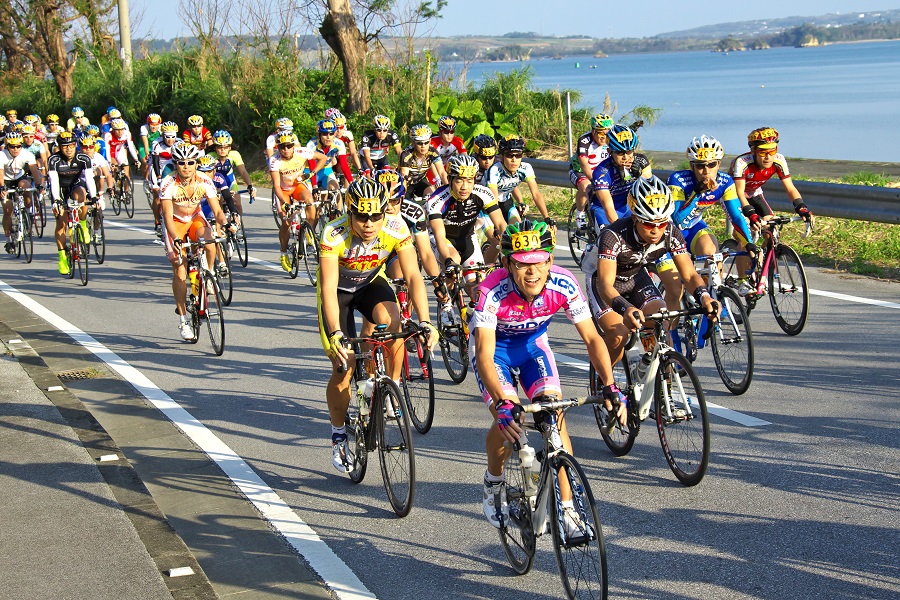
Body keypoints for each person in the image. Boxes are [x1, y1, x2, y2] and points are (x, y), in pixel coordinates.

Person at [471, 219, 624, 530]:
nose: (533, 272)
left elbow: (593, 339)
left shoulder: (564, 283)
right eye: (523, 264)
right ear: (507, 264)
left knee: (554, 417)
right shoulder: (491, 290)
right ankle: (494, 481)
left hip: (533, 350)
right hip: (495, 354)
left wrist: (610, 385)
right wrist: (502, 404)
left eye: (540, 261)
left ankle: (567, 509)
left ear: (551, 260)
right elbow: (484, 355)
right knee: (509, 422)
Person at [318, 177, 437, 472]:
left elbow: (412, 276)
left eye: (376, 215)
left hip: (371, 283)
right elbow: (329, 288)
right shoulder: (334, 233)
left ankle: (390, 384)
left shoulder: (396, 227)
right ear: (350, 211)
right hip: (339, 294)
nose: (369, 223)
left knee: (394, 319)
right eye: (361, 215)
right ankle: (337, 434)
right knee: (343, 368)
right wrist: (335, 333)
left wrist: (426, 321)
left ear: (385, 211)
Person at [587, 176, 719, 371]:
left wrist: (705, 297)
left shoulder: (670, 232)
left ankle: (658, 379)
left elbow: (689, 275)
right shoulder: (613, 235)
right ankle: (604, 382)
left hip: (635, 277)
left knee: (660, 320)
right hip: (604, 283)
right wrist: (626, 308)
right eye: (649, 224)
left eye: (662, 223)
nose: (656, 230)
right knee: (618, 335)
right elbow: (606, 285)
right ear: (634, 218)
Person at [657, 135, 755, 314]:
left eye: (711, 164)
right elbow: (678, 219)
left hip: (694, 228)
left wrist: (749, 243)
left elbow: (736, 216)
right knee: (676, 288)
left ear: (718, 164)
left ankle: (713, 297)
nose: (706, 170)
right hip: (669, 233)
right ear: (692, 166)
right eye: (700, 165)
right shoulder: (678, 180)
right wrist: (697, 193)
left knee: (712, 254)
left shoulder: (725, 182)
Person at [730, 126, 814, 294]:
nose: (768, 156)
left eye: (772, 150)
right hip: (735, 196)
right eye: (762, 152)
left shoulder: (779, 160)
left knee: (772, 228)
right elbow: (739, 192)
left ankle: (760, 259)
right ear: (753, 150)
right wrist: (750, 214)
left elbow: (790, 188)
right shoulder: (742, 163)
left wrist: (802, 208)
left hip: (755, 193)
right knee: (746, 234)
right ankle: (742, 281)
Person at [158, 143, 227, 341]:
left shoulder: (205, 180)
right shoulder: (168, 183)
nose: (186, 166)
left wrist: (226, 222)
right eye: (181, 163)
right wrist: (176, 239)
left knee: (210, 241)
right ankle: (183, 319)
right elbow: (168, 217)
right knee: (180, 270)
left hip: (195, 218)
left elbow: (217, 210)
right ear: (176, 164)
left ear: (196, 163)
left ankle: (209, 273)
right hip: (176, 223)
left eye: (190, 162)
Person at [428, 154, 506, 295]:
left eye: (469, 181)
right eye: (459, 180)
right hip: (444, 240)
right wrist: (448, 261)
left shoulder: (483, 193)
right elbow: (439, 236)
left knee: (479, 288)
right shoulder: (437, 200)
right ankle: (446, 306)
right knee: (454, 263)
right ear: (450, 179)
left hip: (467, 238)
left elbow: (500, 223)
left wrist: (512, 247)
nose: (465, 187)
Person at [269, 132, 329, 271]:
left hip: (298, 186)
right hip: (283, 190)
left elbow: (323, 158)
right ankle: (283, 254)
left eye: (289, 146)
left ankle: (309, 232)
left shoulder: (302, 152)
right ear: (278, 147)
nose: (286, 150)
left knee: (310, 201)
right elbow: (276, 186)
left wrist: (312, 173)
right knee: (286, 221)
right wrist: (284, 204)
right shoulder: (275, 160)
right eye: (282, 147)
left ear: (293, 146)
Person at [377, 168, 441, 280]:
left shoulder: (414, 212)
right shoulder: (364, 214)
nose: (389, 207)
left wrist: (438, 283)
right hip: (369, 256)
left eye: (394, 201)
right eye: (383, 201)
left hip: (396, 253)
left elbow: (426, 253)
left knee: (406, 278)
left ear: (402, 198)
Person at [46, 131, 96, 274]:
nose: (69, 148)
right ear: (60, 147)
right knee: (61, 223)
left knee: (82, 195)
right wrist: (57, 201)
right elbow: (54, 182)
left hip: (75, 185)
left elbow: (90, 179)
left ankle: (83, 224)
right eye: (65, 146)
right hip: (60, 189)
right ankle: (62, 256)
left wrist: (94, 198)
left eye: (72, 145)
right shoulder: (54, 160)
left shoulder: (83, 158)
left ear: (76, 145)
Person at [588, 123, 651, 234]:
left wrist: (639, 175)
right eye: (620, 153)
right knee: (609, 239)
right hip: (602, 209)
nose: (626, 157)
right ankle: (591, 251)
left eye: (629, 151)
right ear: (610, 152)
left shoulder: (641, 161)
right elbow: (608, 206)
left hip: (627, 206)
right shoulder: (601, 172)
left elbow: (651, 190)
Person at [484, 135, 551, 225]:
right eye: (509, 155)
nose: (514, 159)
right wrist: (496, 226)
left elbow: (536, 194)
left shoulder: (526, 168)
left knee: (518, 233)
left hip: (507, 203)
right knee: (499, 232)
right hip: (489, 205)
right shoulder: (495, 170)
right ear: (501, 157)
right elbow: (494, 199)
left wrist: (546, 218)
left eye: (518, 155)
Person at [1, 131, 44, 254]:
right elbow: (0, 174)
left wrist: (39, 184)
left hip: (19, 177)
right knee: (7, 210)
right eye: (12, 146)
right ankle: (8, 239)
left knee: (25, 186)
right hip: (5, 180)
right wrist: (2, 187)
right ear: (7, 146)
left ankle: (28, 213)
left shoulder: (27, 154)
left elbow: (34, 170)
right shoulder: (2, 155)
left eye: (18, 146)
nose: (16, 149)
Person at [571, 113, 614, 229]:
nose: (604, 137)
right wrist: (593, 181)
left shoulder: (611, 140)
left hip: (601, 171)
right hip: (580, 170)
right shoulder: (585, 140)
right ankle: (580, 213)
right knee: (586, 186)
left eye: (607, 133)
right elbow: (584, 163)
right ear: (593, 130)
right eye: (600, 133)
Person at [209, 130, 255, 222]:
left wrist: (249, 185)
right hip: (216, 184)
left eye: (225, 147)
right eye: (219, 147)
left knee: (237, 204)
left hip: (230, 181)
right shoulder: (210, 157)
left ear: (229, 147)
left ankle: (239, 224)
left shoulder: (234, 154)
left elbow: (242, 171)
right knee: (218, 206)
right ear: (215, 148)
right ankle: (222, 226)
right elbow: (208, 176)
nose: (222, 150)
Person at [148, 122, 182, 236]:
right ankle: (157, 222)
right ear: (162, 135)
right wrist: (158, 177)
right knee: (158, 194)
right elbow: (156, 162)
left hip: (172, 167)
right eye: (167, 137)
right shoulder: (156, 143)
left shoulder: (180, 142)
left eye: (173, 137)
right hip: (158, 168)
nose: (170, 140)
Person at [398, 124, 447, 200]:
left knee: (432, 197)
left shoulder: (433, 152)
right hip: (407, 183)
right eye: (420, 143)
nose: (423, 146)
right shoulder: (406, 154)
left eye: (426, 142)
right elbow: (404, 177)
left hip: (420, 180)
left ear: (430, 141)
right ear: (413, 143)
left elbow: (442, 172)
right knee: (405, 201)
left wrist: (448, 189)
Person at [305, 119, 350, 194]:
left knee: (336, 191)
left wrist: (351, 182)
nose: (328, 137)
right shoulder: (311, 144)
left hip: (326, 170)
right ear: (319, 135)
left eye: (331, 134)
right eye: (325, 134)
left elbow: (344, 165)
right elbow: (312, 167)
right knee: (310, 197)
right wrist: (314, 186)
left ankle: (337, 206)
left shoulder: (339, 143)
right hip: (309, 171)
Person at [105, 118, 140, 194]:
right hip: (111, 152)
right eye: (117, 130)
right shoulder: (108, 135)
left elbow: (130, 147)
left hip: (120, 151)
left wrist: (136, 159)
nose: (120, 132)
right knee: (115, 168)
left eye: (122, 129)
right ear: (113, 130)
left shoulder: (127, 133)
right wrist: (110, 162)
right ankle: (115, 184)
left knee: (126, 174)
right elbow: (107, 150)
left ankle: (126, 192)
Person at [325, 109, 361, 173]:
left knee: (345, 169)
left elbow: (353, 153)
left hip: (340, 156)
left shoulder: (347, 134)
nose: (339, 131)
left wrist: (360, 169)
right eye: (336, 128)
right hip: (328, 157)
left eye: (341, 127)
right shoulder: (326, 135)